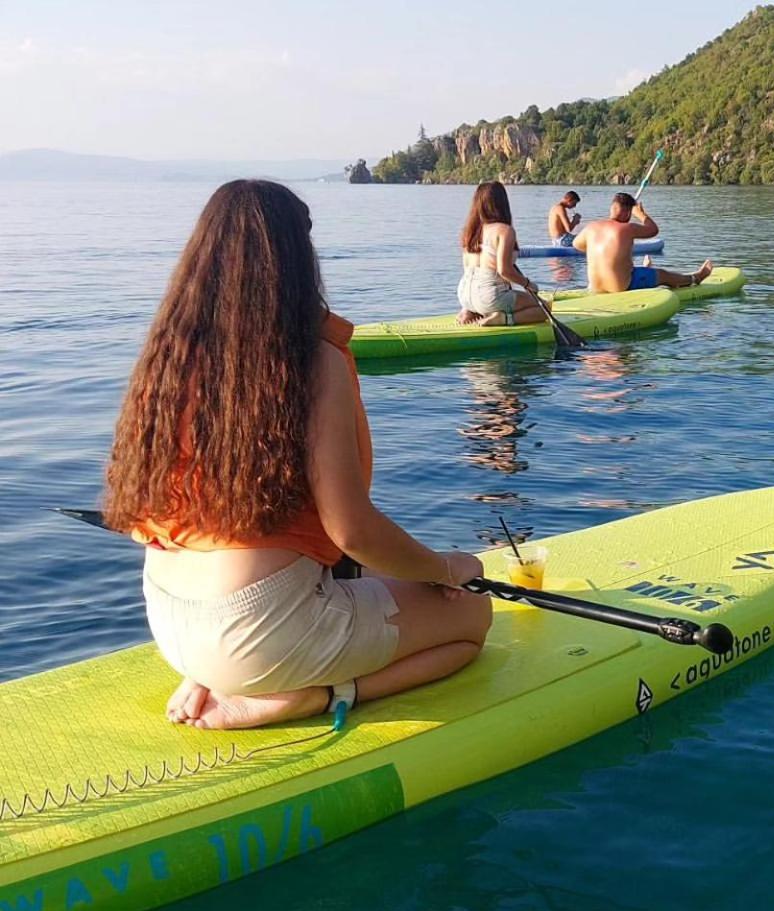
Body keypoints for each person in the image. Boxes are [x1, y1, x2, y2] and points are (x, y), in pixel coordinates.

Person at [105, 179, 493, 732]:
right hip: (257, 634)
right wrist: (446, 569)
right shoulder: (312, 363)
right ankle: (318, 694)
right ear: (295, 259)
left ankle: (239, 674)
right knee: (473, 616)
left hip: (170, 626)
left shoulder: (168, 357)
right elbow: (350, 530)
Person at [574, 192, 713, 294]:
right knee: (662, 275)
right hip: (621, 287)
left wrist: (599, 249)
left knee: (626, 263)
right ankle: (696, 278)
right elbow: (653, 230)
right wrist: (640, 213)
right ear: (628, 212)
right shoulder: (627, 228)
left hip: (595, 287)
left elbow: (576, 244)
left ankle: (644, 270)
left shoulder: (591, 227)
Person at [456, 181, 546, 327]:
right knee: (544, 307)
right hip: (489, 295)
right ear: (502, 203)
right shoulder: (504, 231)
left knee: (489, 300)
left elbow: (467, 268)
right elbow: (504, 271)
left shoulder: (469, 231)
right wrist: (529, 284)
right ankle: (502, 319)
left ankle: (469, 312)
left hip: (464, 294)